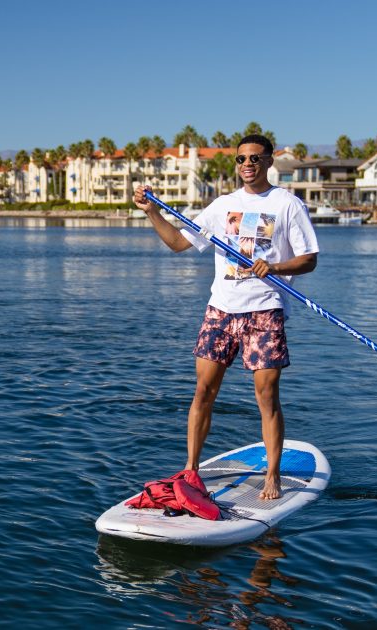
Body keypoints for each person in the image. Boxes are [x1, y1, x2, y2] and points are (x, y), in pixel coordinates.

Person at [132, 134, 319, 500]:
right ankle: (190, 469)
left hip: (265, 309)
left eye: (255, 158)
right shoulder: (222, 206)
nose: (247, 164)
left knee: (266, 396)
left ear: (268, 162)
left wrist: (276, 267)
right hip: (221, 309)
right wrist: (152, 211)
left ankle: (272, 474)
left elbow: (309, 257)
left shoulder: (287, 204)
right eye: (241, 159)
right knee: (203, 391)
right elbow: (178, 243)